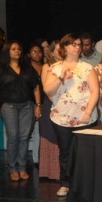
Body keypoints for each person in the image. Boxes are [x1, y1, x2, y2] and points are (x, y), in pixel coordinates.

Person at [42, 34, 99, 197]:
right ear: (64, 47)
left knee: (85, 153)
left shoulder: (87, 67)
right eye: (73, 44)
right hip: (61, 118)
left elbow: (95, 91)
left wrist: (88, 112)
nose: (77, 47)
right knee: (65, 152)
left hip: (85, 118)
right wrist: (61, 78)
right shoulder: (55, 68)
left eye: (79, 44)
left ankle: (86, 185)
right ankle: (65, 184)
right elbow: (48, 91)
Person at [0, 40, 41, 181]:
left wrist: (38, 105)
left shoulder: (27, 67)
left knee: (24, 137)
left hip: (27, 105)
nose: (17, 51)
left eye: (19, 49)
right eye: (13, 49)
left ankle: (22, 167)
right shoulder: (0, 68)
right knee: (13, 136)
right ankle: (12, 168)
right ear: (8, 51)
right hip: (8, 105)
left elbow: (35, 87)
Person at [38, 41, 61, 181]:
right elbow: (47, 89)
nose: (61, 52)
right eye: (58, 50)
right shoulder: (47, 66)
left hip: (66, 106)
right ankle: (50, 173)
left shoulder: (68, 65)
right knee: (50, 135)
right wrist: (59, 104)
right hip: (52, 105)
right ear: (52, 52)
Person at [26, 41, 45, 166]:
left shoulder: (46, 67)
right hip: (29, 103)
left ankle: (38, 159)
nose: (37, 54)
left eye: (39, 52)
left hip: (44, 102)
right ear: (28, 54)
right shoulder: (26, 69)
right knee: (27, 132)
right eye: (34, 52)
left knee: (40, 131)